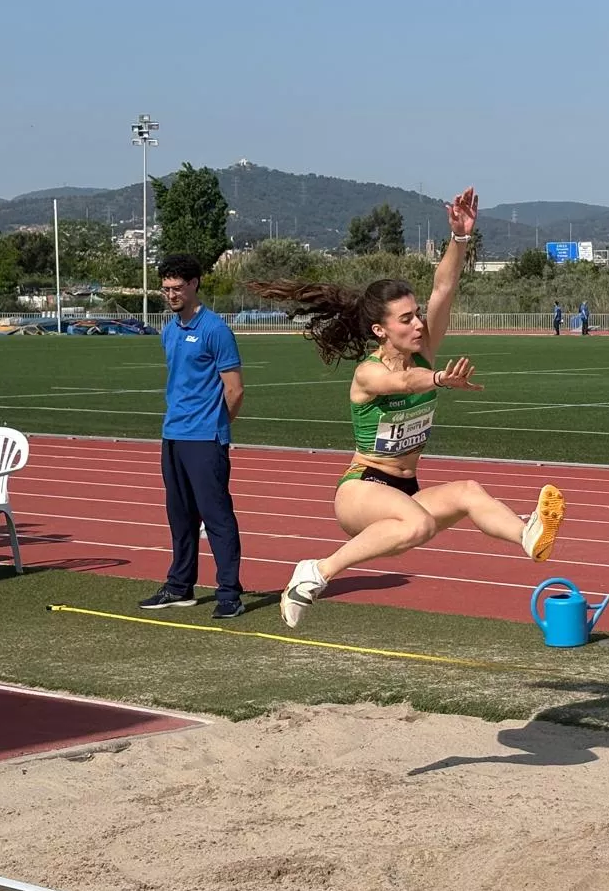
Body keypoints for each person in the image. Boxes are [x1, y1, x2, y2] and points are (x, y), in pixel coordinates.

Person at [248, 187, 565, 629]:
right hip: (362, 489)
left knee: (470, 490)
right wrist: (437, 378)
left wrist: (459, 239)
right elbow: (399, 381)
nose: (418, 323)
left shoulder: (424, 348)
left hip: (406, 491)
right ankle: (314, 572)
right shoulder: (368, 373)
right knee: (416, 524)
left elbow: (445, 286)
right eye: (406, 319)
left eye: (418, 315)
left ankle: (528, 536)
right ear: (381, 330)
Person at [138, 255, 246, 617]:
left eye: (177, 288)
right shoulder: (169, 329)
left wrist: (215, 425)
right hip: (173, 435)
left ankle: (229, 593)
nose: (171, 295)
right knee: (180, 517)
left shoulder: (215, 330)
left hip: (205, 439)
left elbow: (234, 390)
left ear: (195, 284)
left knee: (217, 517)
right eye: (166, 288)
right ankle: (179, 586)